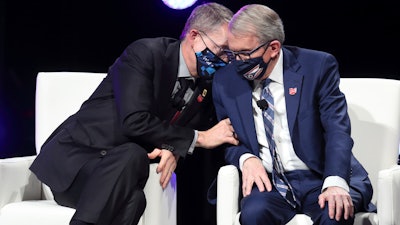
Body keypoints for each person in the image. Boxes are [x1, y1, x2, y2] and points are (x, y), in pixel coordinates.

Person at [30, 2, 238, 225]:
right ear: (194, 36)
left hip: (122, 175)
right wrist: (200, 138)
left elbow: (180, 131)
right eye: (222, 50)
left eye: (230, 54)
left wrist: (174, 147)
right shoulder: (146, 54)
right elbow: (134, 121)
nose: (225, 59)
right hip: (76, 164)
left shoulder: (206, 85)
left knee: (136, 201)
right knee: (133, 155)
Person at [212, 4, 376, 225]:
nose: (239, 62)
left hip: (320, 175)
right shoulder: (225, 81)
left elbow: (337, 129)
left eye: (245, 54)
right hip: (270, 184)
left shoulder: (317, 67)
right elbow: (228, 139)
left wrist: (335, 181)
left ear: (273, 48)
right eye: (233, 54)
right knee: (253, 215)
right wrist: (246, 157)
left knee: (335, 213)